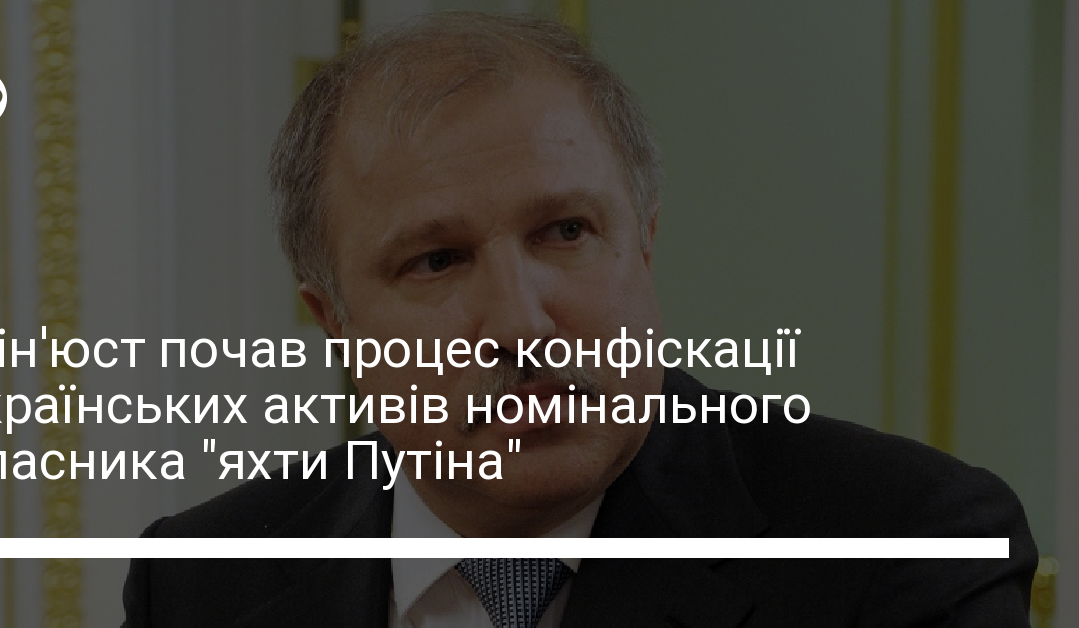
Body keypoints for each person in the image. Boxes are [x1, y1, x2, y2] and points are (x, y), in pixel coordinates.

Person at [122, 12, 1036, 627]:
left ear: (644, 244)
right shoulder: (200, 581)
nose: (520, 327)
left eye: (565, 232)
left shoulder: (904, 548)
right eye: (436, 260)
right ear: (339, 324)